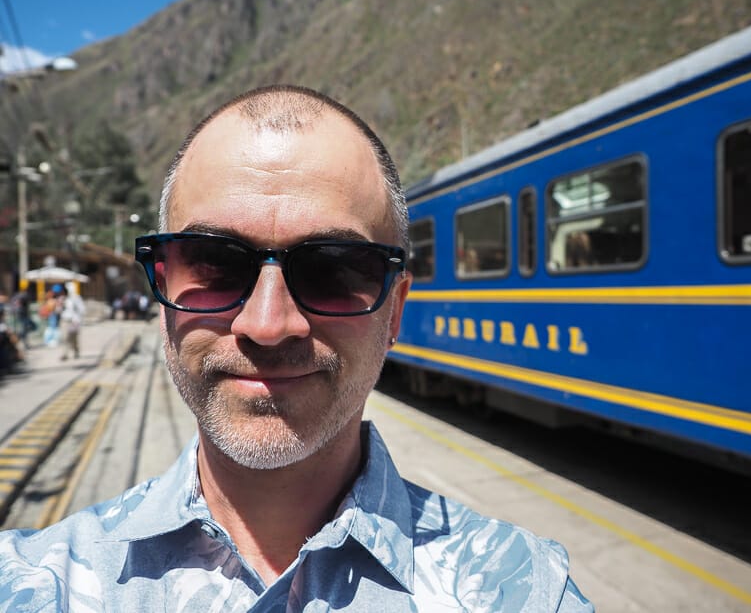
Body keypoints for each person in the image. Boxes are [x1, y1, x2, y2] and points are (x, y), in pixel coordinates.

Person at [0, 85, 593, 612]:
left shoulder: (527, 592)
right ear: (162, 291)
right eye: (213, 263)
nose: (267, 323)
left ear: (396, 311)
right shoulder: (30, 583)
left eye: (335, 269)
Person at [59, 281, 86, 360]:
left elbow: (82, 309)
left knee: (74, 338)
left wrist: (78, 319)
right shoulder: (63, 298)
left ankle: (76, 351)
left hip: (74, 321)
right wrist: (60, 305)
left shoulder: (76, 298)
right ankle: (65, 354)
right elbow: (59, 310)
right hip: (65, 320)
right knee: (65, 337)